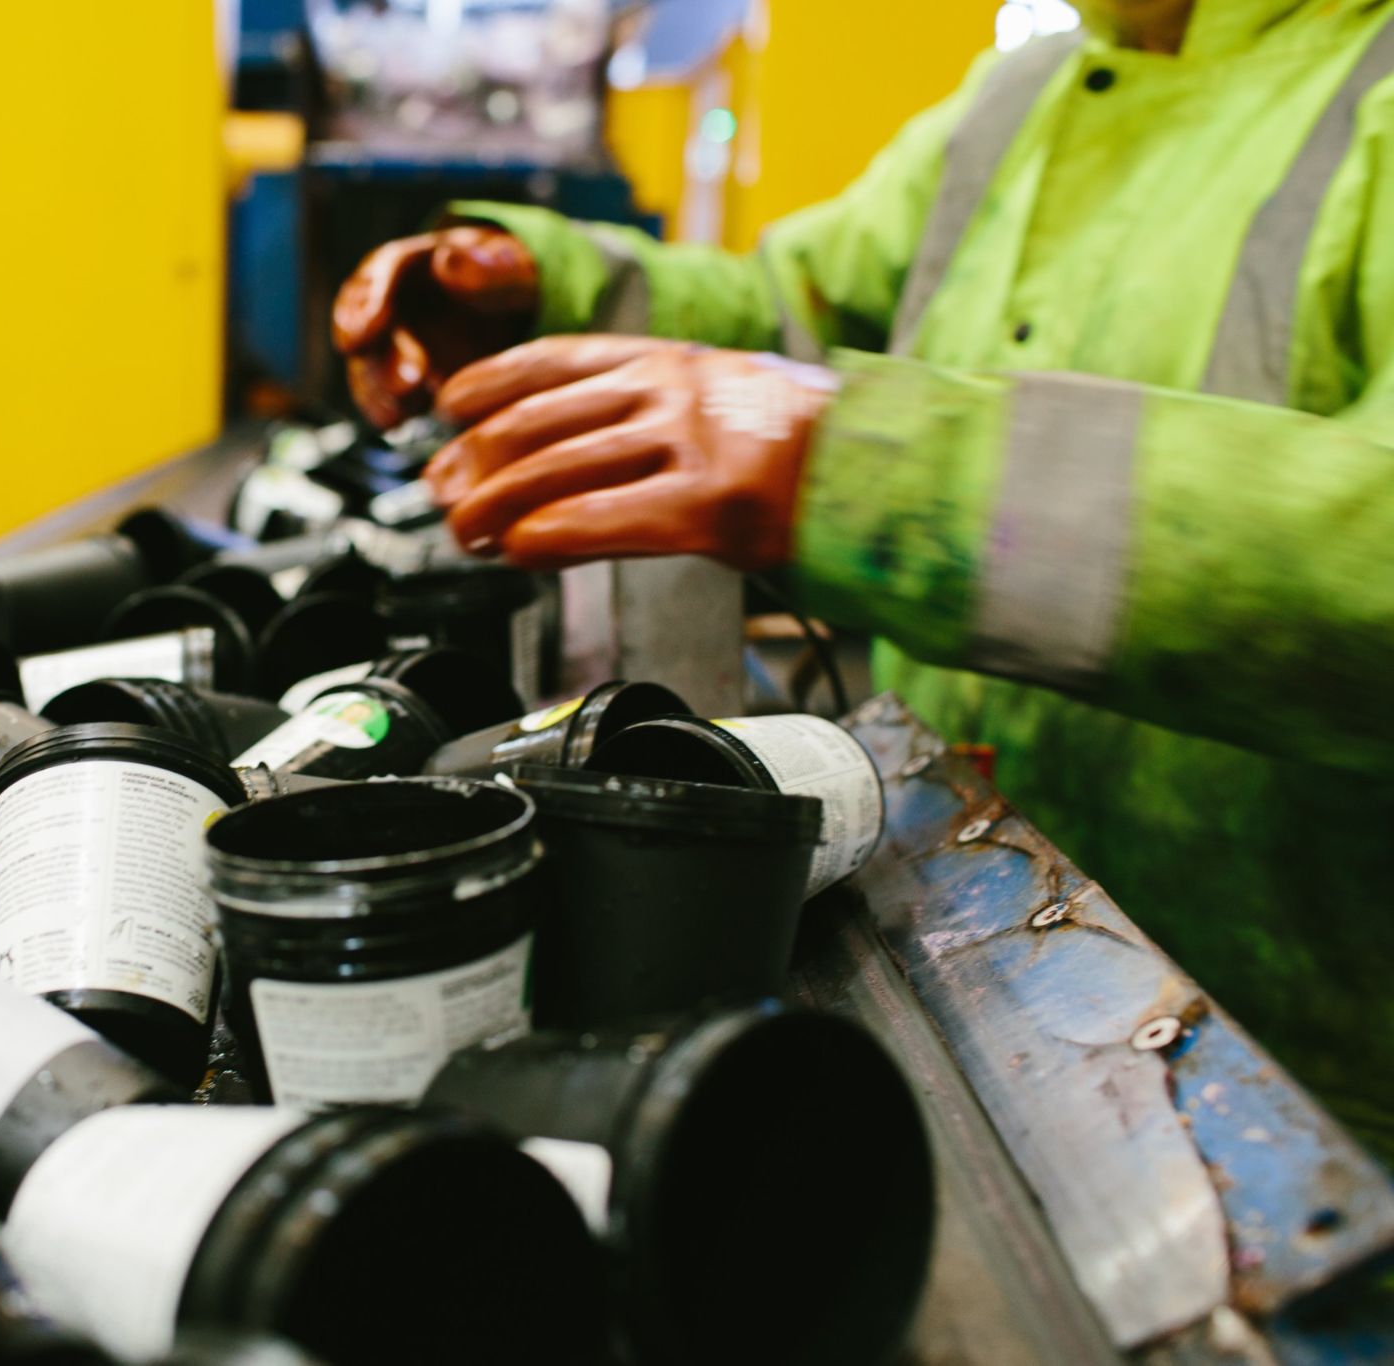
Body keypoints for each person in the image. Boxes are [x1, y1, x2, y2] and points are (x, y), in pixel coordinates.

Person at [332, 0, 1394, 1160]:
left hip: (1305, 1066)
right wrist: (544, 289)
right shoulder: (1023, 98)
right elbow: (792, 308)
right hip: (967, 916)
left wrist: (860, 470)